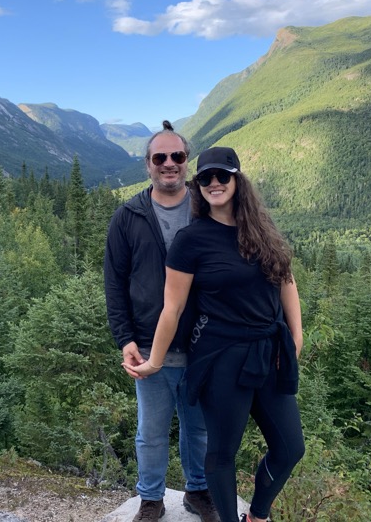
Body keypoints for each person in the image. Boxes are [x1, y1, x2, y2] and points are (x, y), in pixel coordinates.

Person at [126, 146, 305, 522]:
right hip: (221, 356)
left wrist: (295, 338)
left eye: (222, 176)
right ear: (198, 187)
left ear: (238, 180)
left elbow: (286, 281)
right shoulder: (192, 240)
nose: (213, 184)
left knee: (290, 448)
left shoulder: (262, 229)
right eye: (204, 178)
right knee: (222, 452)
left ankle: (257, 514)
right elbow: (171, 308)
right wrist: (155, 361)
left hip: (269, 350)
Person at [104, 121, 218, 522]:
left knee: (199, 430)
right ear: (148, 165)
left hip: (204, 346)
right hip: (150, 346)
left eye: (178, 156)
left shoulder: (208, 210)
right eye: (160, 157)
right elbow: (115, 284)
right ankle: (150, 500)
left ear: (187, 162)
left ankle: (198, 492)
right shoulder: (128, 216)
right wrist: (124, 338)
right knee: (150, 433)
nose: (169, 163)